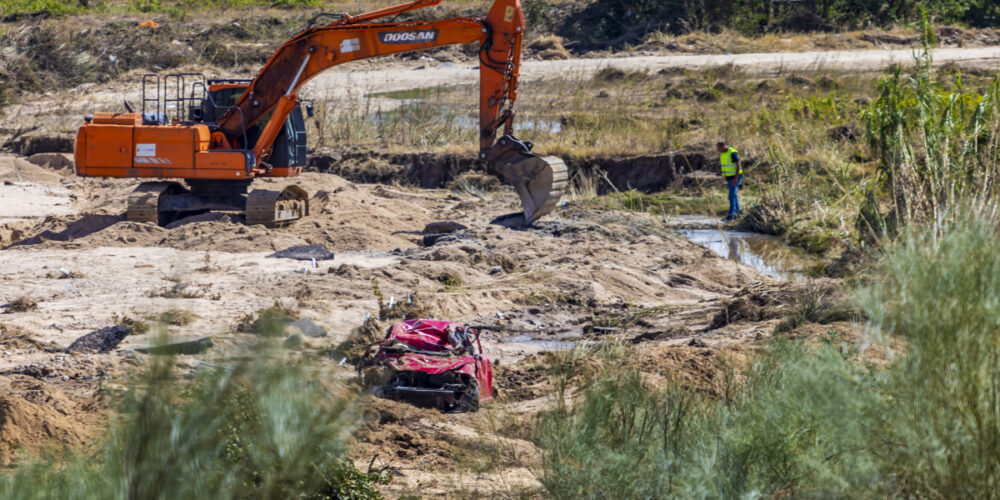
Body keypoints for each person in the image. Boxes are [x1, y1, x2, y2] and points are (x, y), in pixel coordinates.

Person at [716, 141, 742, 220]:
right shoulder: (722, 154)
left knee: (731, 196)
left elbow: (738, 164)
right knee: (734, 196)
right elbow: (727, 166)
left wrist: (736, 178)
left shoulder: (732, 152)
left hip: (735, 177)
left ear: (723, 146)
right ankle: (738, 214)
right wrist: (721, 173)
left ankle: (731, 216)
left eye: (718, 148)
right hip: (729, 177)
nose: (717, 149)